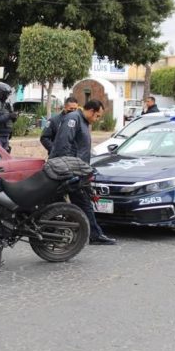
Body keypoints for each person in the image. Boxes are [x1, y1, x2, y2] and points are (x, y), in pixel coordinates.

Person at [50, 99, 117, 245]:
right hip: (71, 171)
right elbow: (63, 145)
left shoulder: (83, 121)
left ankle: (91, 234)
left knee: (82, 202)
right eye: (97, 116)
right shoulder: (73, 119)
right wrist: (70, 170)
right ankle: (93, 235)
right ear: (92, 111)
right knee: (81, 203)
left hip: (79, 171)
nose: (97, 119)